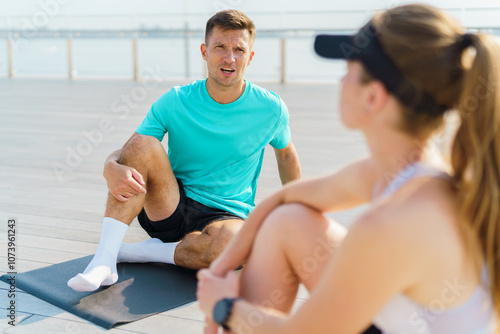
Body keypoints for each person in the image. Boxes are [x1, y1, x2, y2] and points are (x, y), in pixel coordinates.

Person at [197, 4, 499, 333]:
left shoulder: (390, 225)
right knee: (287, 220)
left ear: (373, 97)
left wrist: (224, 307)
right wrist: (220, 271)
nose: (341, 77)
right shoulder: (407, 173)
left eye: (350, 67)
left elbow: (301, 332)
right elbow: (282, 200)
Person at [67, 9, 301, 292]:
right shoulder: (176, 100)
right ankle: (104, 261)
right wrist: (109, 166)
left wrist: (296, 212)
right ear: (204, 51)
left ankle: (141, 252)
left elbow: (286, 154)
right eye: (220, 48)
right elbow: (133, 148)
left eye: (239, 49)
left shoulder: (270, 109)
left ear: (250, 57)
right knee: (144, 144)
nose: (229, 58)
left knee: (234, 248)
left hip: (227, 215)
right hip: (170, 205)